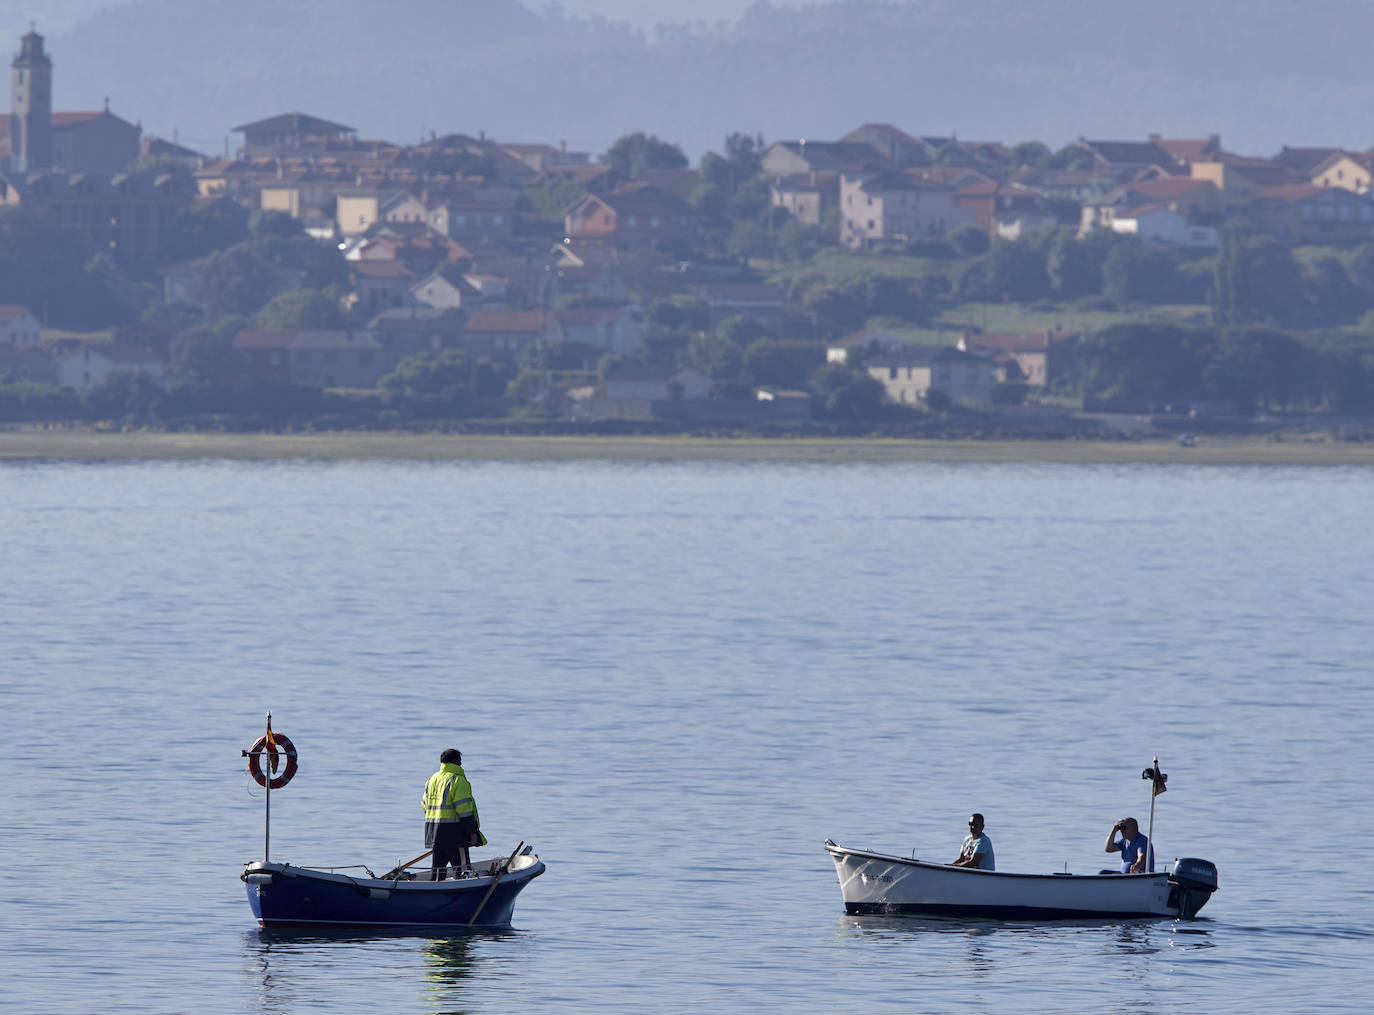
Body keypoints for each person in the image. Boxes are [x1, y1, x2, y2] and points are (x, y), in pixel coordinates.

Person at [422, 748, 486, 880]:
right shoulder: (457, 780)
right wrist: (472, 832)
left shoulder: (432, 780)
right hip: (455, 836)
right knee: (464, 874)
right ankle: (466, 899)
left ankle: (435, 897)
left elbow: (425, 806)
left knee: (437, 874)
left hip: (434, 834)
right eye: (460, 761)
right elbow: (465, 810)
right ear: (455, 761)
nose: (461, 765)